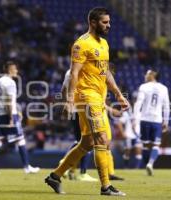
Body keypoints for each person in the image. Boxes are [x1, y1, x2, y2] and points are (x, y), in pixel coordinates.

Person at [45, 7, 129, 196]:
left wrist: (118, 94)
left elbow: (105, 71)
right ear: (92, 22)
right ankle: (106, 186)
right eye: (105, 22)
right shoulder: (81, 44)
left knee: (87, 143)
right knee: (102, 139)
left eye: (109, 22)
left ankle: (55, 176)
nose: (109, 25)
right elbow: (74, 72)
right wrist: (69, 100)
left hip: (98, 97)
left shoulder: (104, 44)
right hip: (86, 96)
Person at [61, 70, 124, 182]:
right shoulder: (89, 71)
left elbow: (63, 90)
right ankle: (80, 172)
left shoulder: (69, 72)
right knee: (88, 142)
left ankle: (69, 169)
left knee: (82, 141)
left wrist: (67, 103)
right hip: (86, 107)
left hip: (76, 108)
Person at [0, 61, 40, 174]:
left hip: (0, 113)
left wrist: (16, 111)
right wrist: (11, 117)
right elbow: (9, 101)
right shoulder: (10, 82)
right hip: (8, 114)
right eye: (15, 69)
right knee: (20, 139)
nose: (17, 71)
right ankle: (26, 167)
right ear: (10, 70)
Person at [134, 69, 170, 176]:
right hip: (157, 120)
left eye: (147, 73)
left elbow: (138, 103)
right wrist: (166, 121)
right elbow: (166, 106)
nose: (145, 75)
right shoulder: (164, 88)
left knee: (145, 145)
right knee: (156, 145)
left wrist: (135, 119)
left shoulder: (143, 87)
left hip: (144, 119)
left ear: (152, 75)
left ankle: (147, 166)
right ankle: (150, 163)